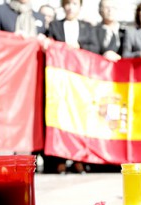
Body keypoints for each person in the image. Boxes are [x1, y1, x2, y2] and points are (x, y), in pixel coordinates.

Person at [45, 0, 99, 174]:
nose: (70, 7)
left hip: (80, 82)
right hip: (60, 82)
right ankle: (60, 158)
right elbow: (50, 46)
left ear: (80, 6)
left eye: (74, 3)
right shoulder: (54, 26)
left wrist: (79, 48)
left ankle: (78, 159)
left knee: (79, 117)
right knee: (60, 116)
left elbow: (95, 48)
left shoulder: (87, 28)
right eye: (67, 3)